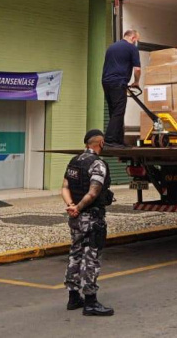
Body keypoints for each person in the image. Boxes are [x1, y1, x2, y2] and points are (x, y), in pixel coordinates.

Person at [62, 129, 114, 316]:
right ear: (100, 143)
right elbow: (93, 193)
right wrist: (79, 207)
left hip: (75, 219)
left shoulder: (74, 162)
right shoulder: (98, 164)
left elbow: (65, 187)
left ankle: (73, 297)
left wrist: (71, 206)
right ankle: (90, 302)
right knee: (91, 257)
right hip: (91, 217)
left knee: (75, 254)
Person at [102, 29, 141, 148]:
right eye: (136, 40)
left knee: (114, 111)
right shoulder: (132, 48)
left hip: (106, 82)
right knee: (119, 111)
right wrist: (136, 82)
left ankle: (118, 140)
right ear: (133, 38)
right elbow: (137, 69)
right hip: (118, 82)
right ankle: (109, 139)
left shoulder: (111, 47)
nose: (136, 42)